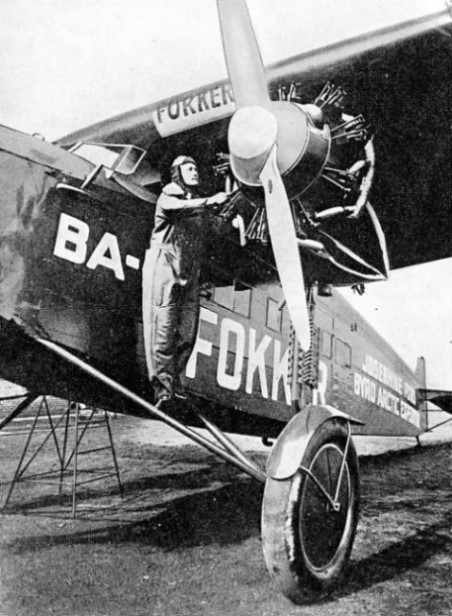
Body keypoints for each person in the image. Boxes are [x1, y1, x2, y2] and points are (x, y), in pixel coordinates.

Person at [142, 156, 229, 405]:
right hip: (165, 268)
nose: (195, 171)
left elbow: (210, 229)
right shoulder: (170, 195)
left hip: (189, 273)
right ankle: (162, 389)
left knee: (187, 333)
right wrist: (209, 201)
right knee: (163, 329)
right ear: (177, 173)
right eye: (188, 168)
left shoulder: (194, 205)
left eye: (195, 167)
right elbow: (172, 207)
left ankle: (175, 382)